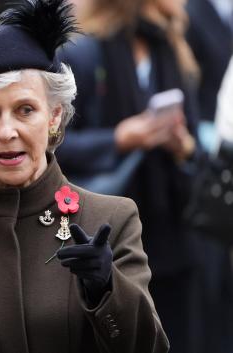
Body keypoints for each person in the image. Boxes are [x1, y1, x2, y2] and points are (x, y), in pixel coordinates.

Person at [0, 1, 169, 352]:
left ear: (54, 117)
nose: (7, 131)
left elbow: (150, 347)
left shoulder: (111, 219)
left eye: (25, 110)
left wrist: (107, 289)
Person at [56, 0, 204, 351]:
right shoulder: (84, 52)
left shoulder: (172, 47)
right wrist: (121, 138)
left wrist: (181, 145)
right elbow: (53, 144)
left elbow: (196, 149)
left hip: (173, 238)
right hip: (112, 237)